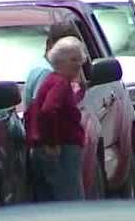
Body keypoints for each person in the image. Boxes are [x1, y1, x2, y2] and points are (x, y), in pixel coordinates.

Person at [25, 36, 88, 202]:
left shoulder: (52, 81)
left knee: (51, 198)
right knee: (70, 198)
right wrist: (52, 143)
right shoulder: (60, 83)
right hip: (64, 150)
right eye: (73, 59)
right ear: (60, 61)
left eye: (80, 59)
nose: (78, 64)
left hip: (55, 148)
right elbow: (48, 110)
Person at [23, 22, 86, 105]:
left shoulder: (63, 69)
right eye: (63, 49)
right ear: (49, 45)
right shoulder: (47, 72)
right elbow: (42, 110)